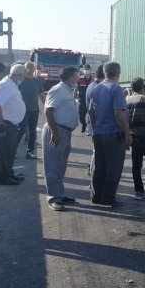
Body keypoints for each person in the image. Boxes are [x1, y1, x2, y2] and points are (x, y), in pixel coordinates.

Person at [88, 61, 132, 206]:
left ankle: (97, 196)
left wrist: (95, 130)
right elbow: (118, 113)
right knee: (113, 167)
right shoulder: (116, 89)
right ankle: (108, 197)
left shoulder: (97, 88)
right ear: (118, 73)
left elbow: (91, 112)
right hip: (113, 134)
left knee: (100, 166)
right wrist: (127, 133)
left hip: (99, 133)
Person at [42, 67, 81, 211]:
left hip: (64, 131)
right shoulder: (58, 89)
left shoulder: (66, 90)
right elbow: (48, 110)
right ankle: (54, 198)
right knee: (53, 166)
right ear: (70, 76)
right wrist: (54, 132)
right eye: (77, 76)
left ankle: (59, 194)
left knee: (60, 166)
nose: (78, 79)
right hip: (57, 130)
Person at [0, 64, 28, 185]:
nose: (24, 79)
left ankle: (9, 173)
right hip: (5, 123)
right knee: (4, 152)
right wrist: (1, 124)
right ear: (19, 75)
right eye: (24, 76)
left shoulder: (10, 84)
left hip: (10, 123)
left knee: (9, 152)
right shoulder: (6, 85)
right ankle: (3, 178)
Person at [17, 61, 45, 159]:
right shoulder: (20, 81)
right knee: (21, 130)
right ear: (24, 69)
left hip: (34, 110)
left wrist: (47, 106)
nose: (30, 69)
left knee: (32, 132)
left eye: (32, 67)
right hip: (22, 110)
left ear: (34, 69)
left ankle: (30, 151)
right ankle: (13, 150)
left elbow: (42, 95)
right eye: (28, 67)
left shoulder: (37, 81)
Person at [85, 64, 104, 176]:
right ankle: (93, 177)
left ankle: (91, 170)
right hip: (97, 125)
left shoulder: (92, 85)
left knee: (96, 151)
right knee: (97, 153)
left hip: (94, 124)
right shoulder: (97, 87)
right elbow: (94, 111)